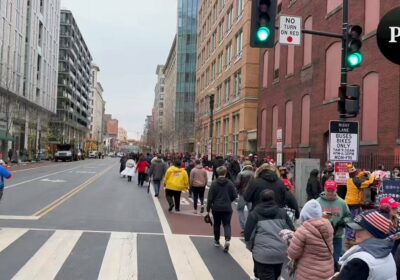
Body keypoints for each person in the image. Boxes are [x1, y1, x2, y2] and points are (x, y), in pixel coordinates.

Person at [245, 190, 295, 280]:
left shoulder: (254, 214)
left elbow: (248, 235)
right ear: (273, 199)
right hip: (279, 253)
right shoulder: (282, 213)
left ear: (260, 199)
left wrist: (252, 248)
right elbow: (292, 231)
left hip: (262, 254)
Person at [334, 207, 396, 280]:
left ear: (374, 232)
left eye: (359, 229)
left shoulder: (359, 262)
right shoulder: (386, 251)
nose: (354, 232)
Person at [288, 199, 334, 280]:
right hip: (327, 271)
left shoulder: (302, 231)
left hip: (308, 273)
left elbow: (293, 254)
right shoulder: (328, 226)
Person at [317, 180, 351, 264]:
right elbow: (311, 217)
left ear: (336, 190)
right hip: (321, 237)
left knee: (335, 261)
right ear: (324, 189)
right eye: (328, 190)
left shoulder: (342, 203)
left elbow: (349, 216)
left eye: (332, 190)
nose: (330, 193)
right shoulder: (317, 202)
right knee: (322, 262)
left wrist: (343, 221)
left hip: (337, 237)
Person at [207, 166, 237, 252]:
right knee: (227, 224)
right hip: (227, 207)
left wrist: (208, 209)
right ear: (225, 173)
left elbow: (210, 198)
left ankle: (217, 240)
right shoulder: (230, 183)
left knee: (217, 224)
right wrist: (229, 200)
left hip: (216, 207)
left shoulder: (214, 183)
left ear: (217, 173)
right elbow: (235, 195)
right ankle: (227, 239)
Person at [344, 164, 375, 247]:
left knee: (349, 220)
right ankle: (350, 239)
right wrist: (371, 175)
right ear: (355, 173)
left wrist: (364, 172)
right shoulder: (357, 181)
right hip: (355, 204)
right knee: (355, 221)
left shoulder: (350, 179)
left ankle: (349, 237)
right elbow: (369, 183)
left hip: (348, 202)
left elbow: (358, 176)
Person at [235, 161, 254, 234]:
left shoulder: (241, 174)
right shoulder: (254, 174)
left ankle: (244, 226)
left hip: (243, 194)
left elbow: (237, 183)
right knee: (251, 211)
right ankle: (250, 227)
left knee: (240, 210)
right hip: (251, 195)